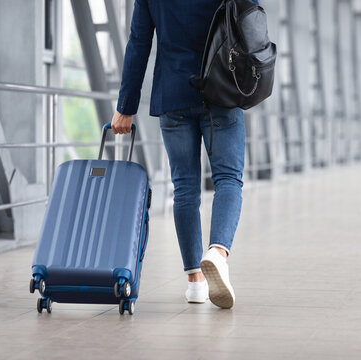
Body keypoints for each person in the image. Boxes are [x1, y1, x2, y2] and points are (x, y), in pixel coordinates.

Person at [111, 0, 249, 309]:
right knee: (228, 178)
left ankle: (196, 284)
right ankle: (217, 252)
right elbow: (250, 13)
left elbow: (139, 42)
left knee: (185, 187)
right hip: (222, 89)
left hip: (172, 93)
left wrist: (126, 107)